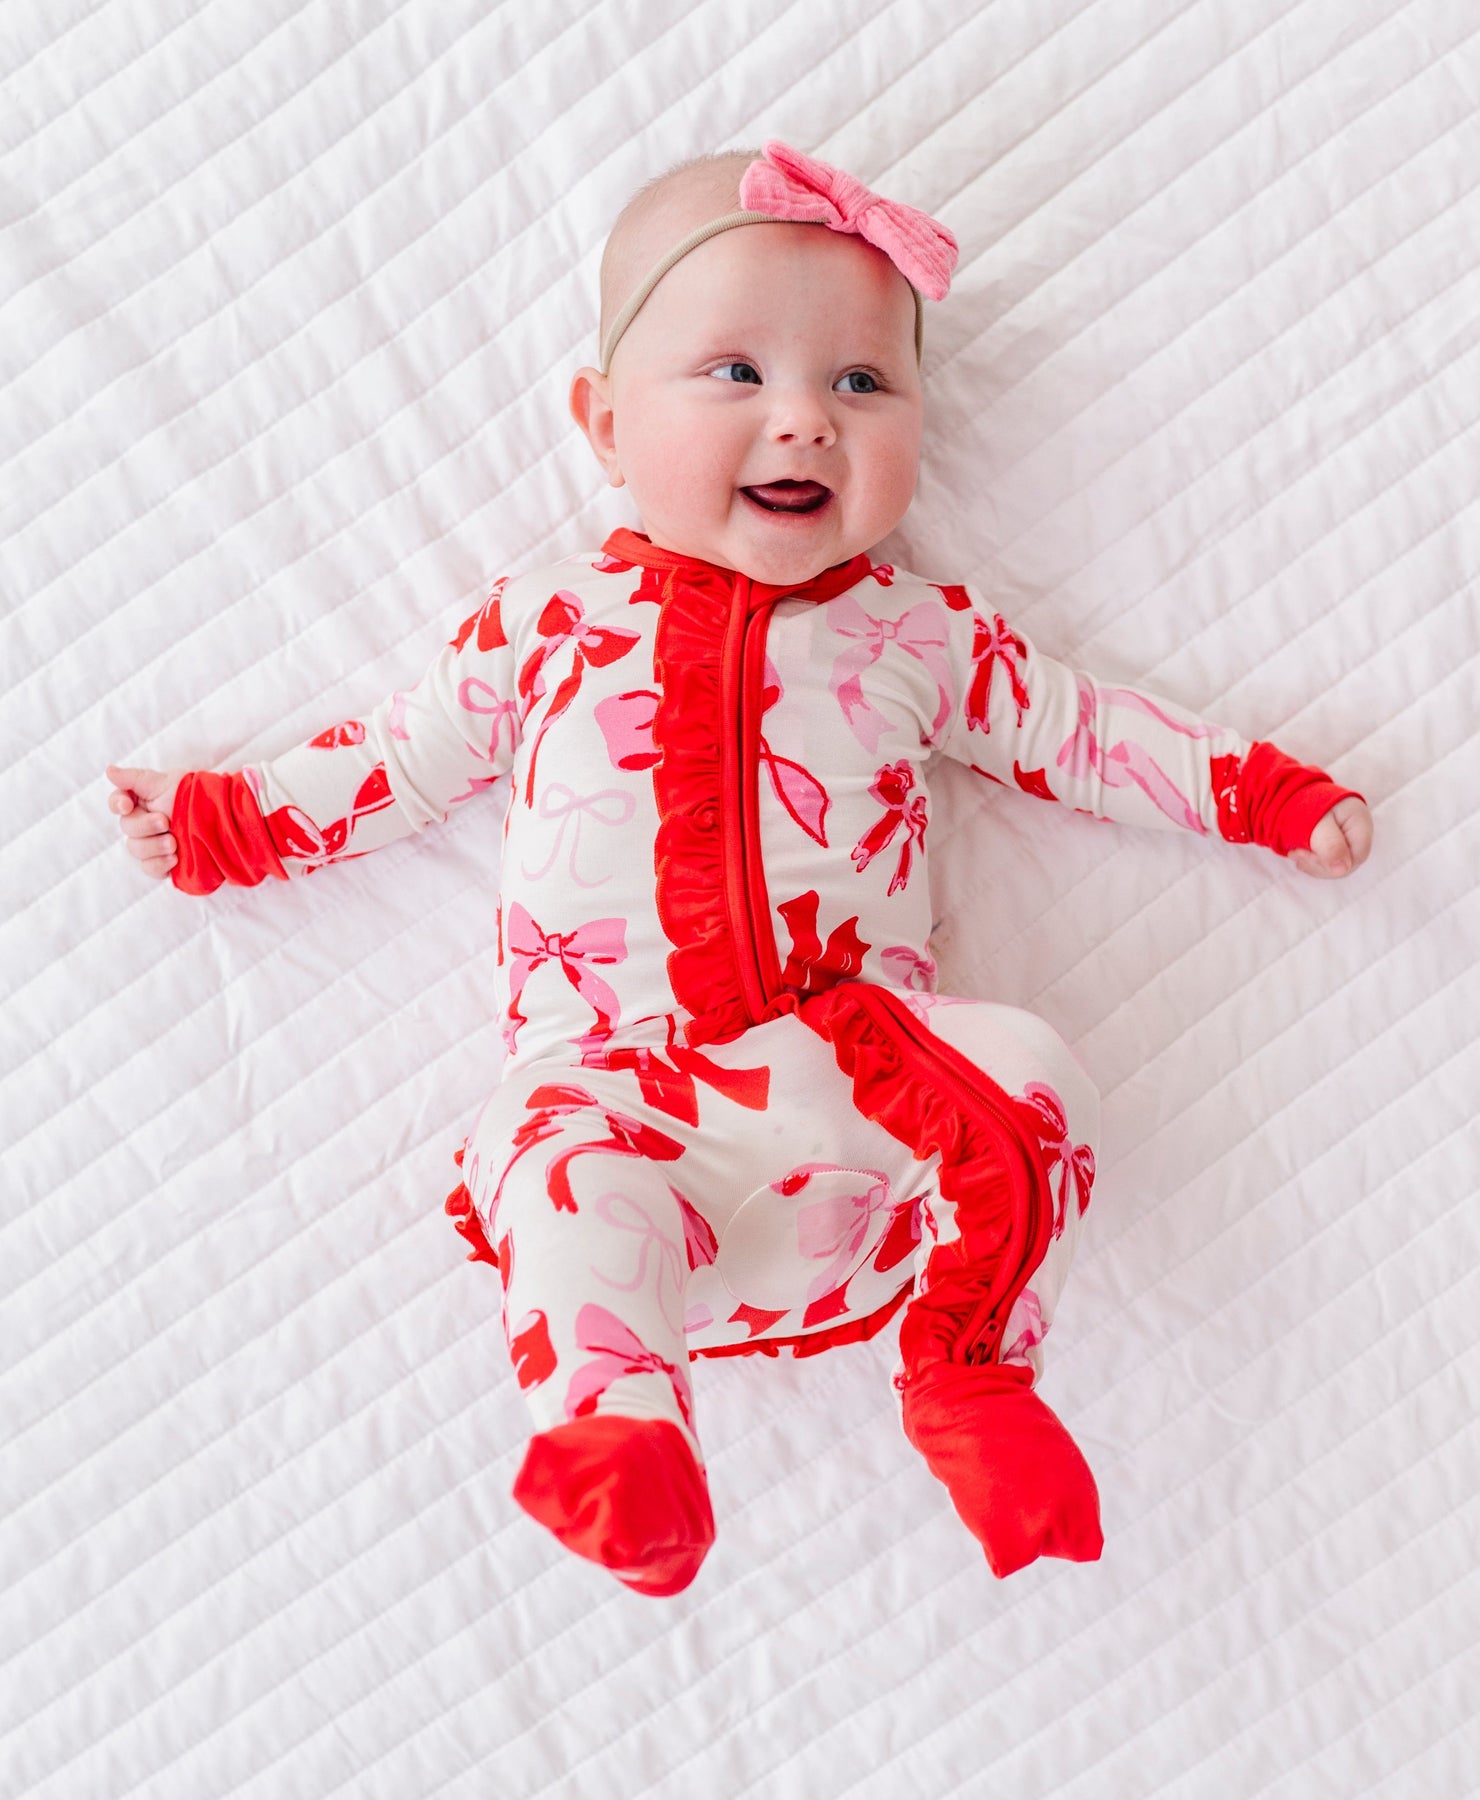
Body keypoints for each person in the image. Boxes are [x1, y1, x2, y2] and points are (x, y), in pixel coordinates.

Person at [105, 141, 1373, 1597]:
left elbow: (1080, 733)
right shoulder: (546, 624)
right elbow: (398, 757)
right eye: (735, 373)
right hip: (630, 1113)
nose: (806, 420)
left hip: (873, 1116)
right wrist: (232, 821)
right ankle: (623, 1433)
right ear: (604, 423)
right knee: (541, 1157)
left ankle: (969, 1368)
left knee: (1031, 1075)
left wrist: (1260, 794)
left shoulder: (917, 634)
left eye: (862, 382)